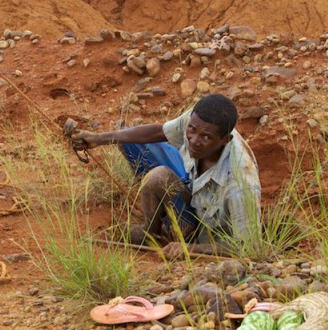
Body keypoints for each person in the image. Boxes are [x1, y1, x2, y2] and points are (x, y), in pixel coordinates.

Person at [73, 93, 261, 258]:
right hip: (191, 185)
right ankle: (150, 230)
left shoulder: (240, 186)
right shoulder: (198, 120)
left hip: (205, 233)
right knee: (130, 141)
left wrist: (190, 248)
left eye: (206, 137)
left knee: (159, 175)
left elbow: (248, 247)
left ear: (225, 140)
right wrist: (98, 139)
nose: (194, 141)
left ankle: (184, 231)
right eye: (192, 130)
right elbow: (159, 132)